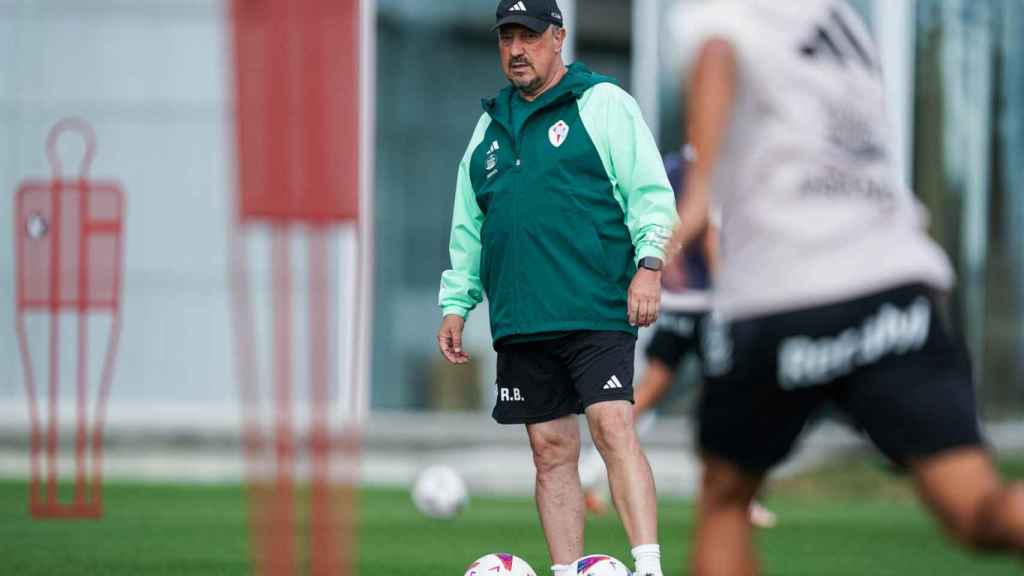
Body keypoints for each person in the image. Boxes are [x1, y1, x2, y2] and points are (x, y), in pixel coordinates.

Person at [664, 1, 1024, 574]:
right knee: (976, 510)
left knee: (725, 502)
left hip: (785, 286)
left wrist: (699, 189)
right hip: (895, 286)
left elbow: (716, 53)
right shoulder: (841, 21)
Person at [436, 2, 679, 575]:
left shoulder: (602, 103)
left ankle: (648, 567)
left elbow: (650, 194)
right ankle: (567, 571)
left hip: (596, 305)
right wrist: (456, 302)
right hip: (521, 317)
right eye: (507, 38)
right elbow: (469, 225)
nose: (517, 49)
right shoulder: (489, 128)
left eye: (529, 36)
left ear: (558, 37)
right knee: (549, 450)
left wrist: (649, 265)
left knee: (612, 425)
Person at [578, 148, 776, 529]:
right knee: (717, 395)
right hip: (703, 304)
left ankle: (591, 469)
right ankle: (737, 496)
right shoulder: (709, 166)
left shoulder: (677, 165)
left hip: (685, 303)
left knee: (658, 389)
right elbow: (709, 236)